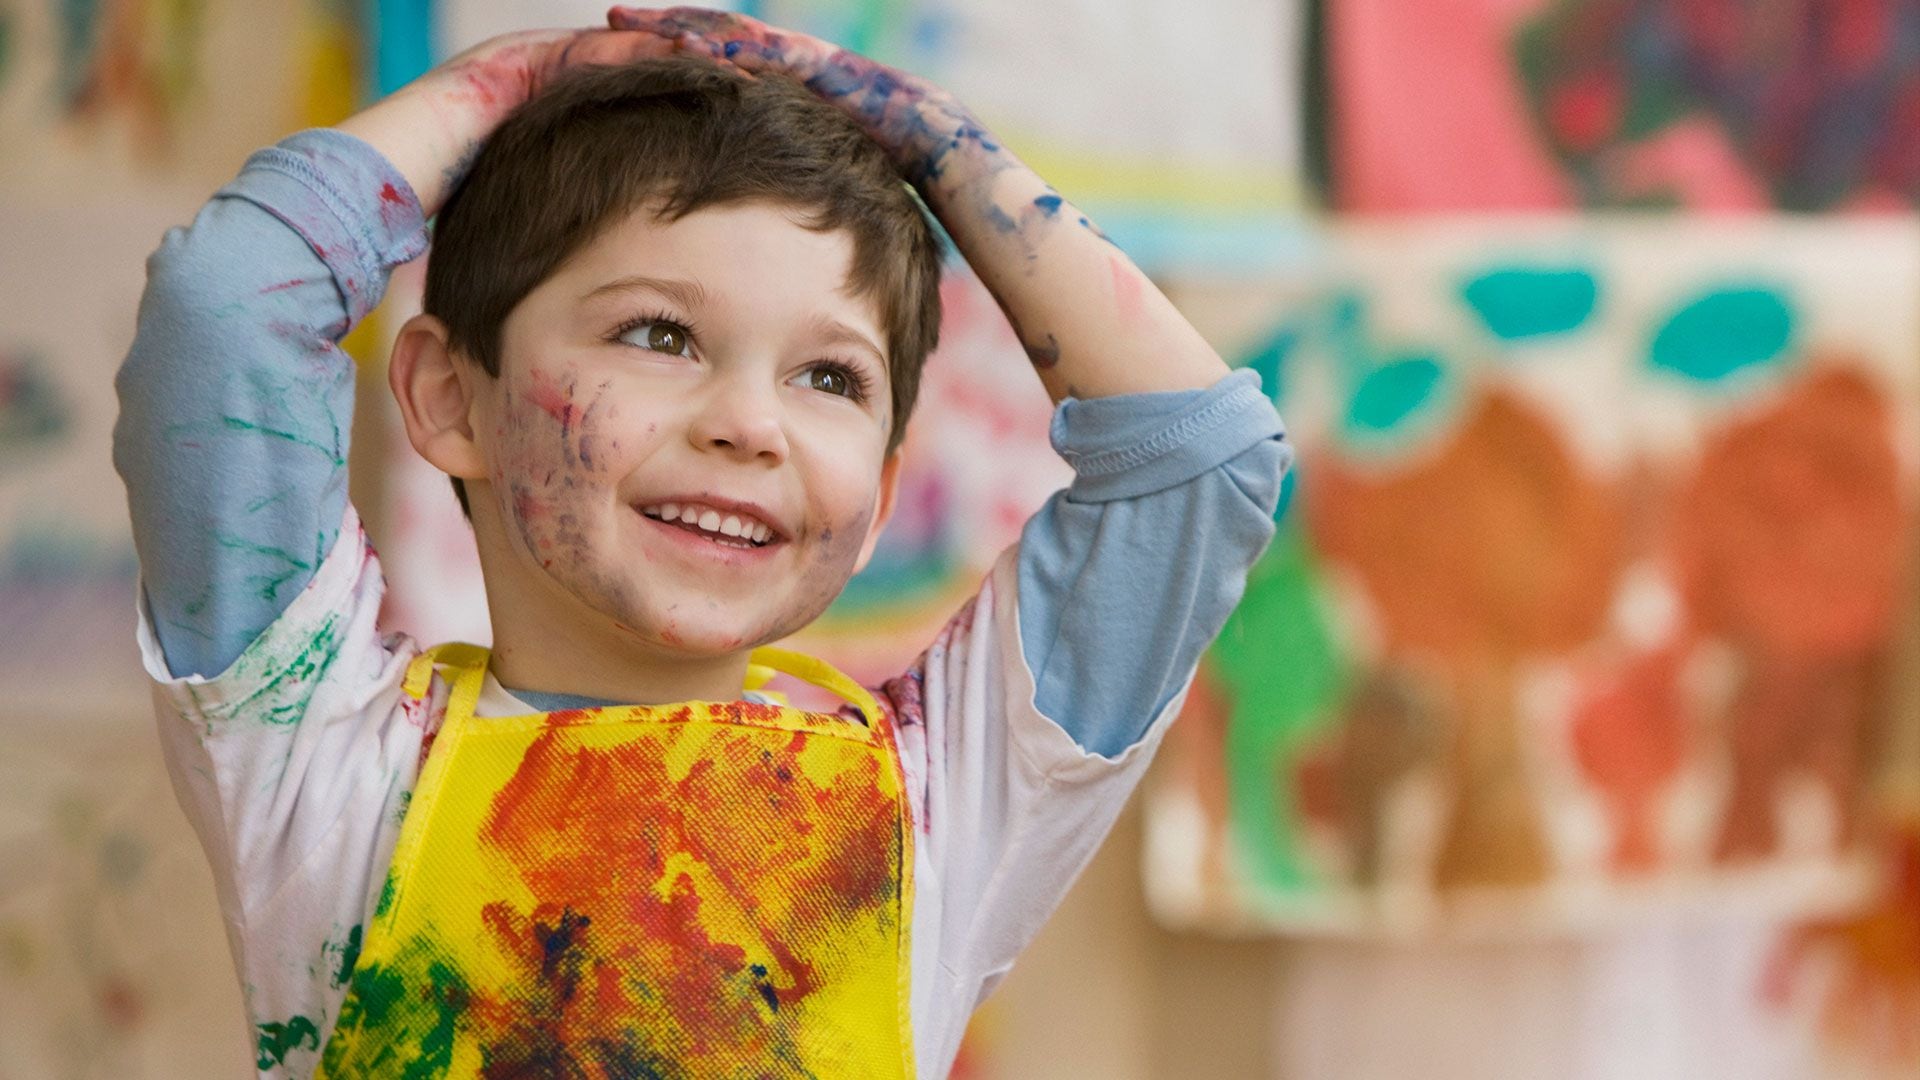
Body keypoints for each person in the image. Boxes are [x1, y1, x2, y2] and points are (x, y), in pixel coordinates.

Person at [114, 7, 1289, 1077]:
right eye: (659, 334)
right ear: (448, 397)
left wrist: (929, 143)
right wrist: (508, 82)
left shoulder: (942, 807)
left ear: (881, 495)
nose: (748, 425)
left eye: (830, 374)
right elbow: (226, 307)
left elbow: (1199, 461)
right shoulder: (319, 761)